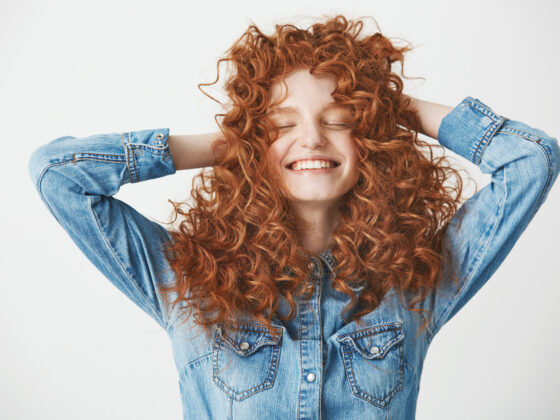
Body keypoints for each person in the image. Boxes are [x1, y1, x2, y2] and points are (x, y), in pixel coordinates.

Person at [27, 15, 559, 420]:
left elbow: (531, 160)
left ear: (368, 137)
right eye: (281, 124)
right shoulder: (182, 278)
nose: (310, 138)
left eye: (340, 119)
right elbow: (57, 173)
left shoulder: (416, 283)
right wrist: (231, 143)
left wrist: (389, 106)